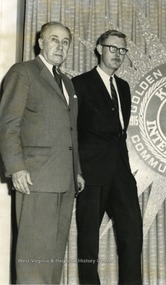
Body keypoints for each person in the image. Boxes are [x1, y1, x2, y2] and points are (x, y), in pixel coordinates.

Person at [0, 21, 85, 284]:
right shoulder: (23, 72)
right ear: (40, 42)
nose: (60, 46)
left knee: (53, 257)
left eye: (65, 42)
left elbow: (71, 132)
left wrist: (77, 171)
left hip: (65, 181)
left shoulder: (67, 83)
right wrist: (16, 168)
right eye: (54, 39)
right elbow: (8, 123)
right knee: (34, 257)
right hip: (36, 178)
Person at [72, 30, 143, 285]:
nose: (118, 55)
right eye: (113, 48)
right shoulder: (79, 84)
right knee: (88, 242)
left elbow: (119, 133)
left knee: (132, 237)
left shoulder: (123, 87)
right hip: (91, 174)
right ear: (99, 48)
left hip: (122, 174)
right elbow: (72, 131)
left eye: (123, 50)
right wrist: (77, 170)